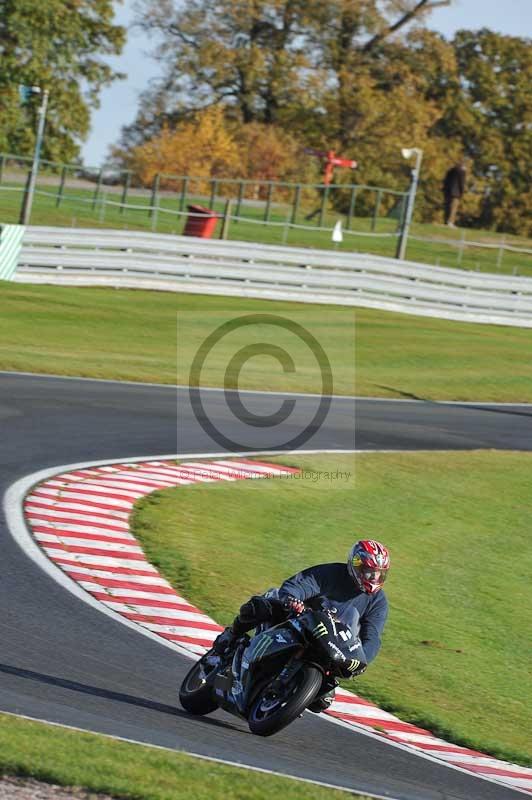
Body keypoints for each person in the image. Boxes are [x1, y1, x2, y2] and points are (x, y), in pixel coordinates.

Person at [213, 539, 390, 712]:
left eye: (379, 573)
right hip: (299, 620)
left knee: (322, 701)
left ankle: (284, 698)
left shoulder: (378, 601)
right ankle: (231, 636)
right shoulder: (332, 573)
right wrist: (293, 600)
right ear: (356, 565)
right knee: (261, 605)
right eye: (369, 571)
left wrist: (361, 661)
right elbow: (300, 585)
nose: (374, 578)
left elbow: (372, 636)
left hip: (331, 645)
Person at [443, 161, 467, 227]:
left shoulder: (450, 171)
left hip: (448, 191)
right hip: (456, 192)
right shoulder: (462, 171)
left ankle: (446, 221)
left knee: (447, 207)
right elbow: (462, 183)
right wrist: (462, 192)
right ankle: (450, 222)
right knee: (453, 208)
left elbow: (445, 180)